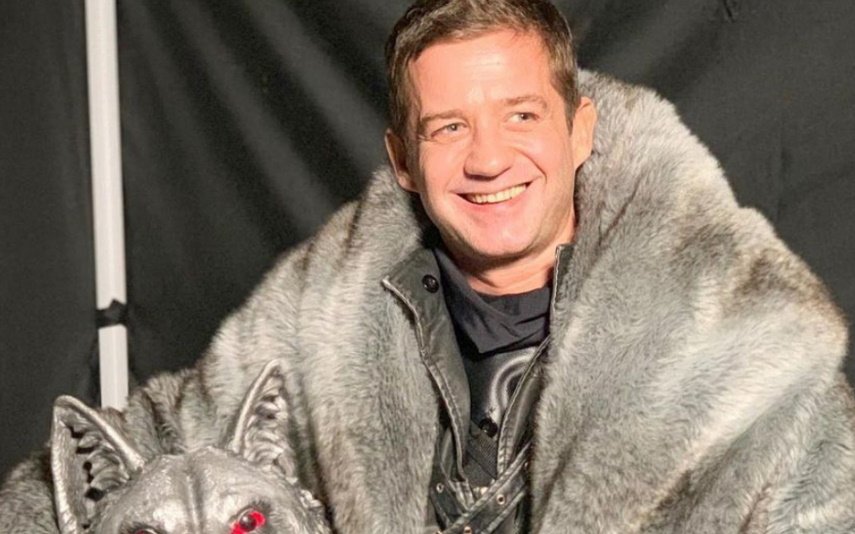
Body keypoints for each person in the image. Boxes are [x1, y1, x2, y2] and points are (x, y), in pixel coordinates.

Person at [3, 0, 855, 532]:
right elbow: (103, 470)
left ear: (579, 132)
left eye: (520, 115)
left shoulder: (742, 343)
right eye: (448, 127)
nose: (487, 159)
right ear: (403, 160)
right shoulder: (320, 324)